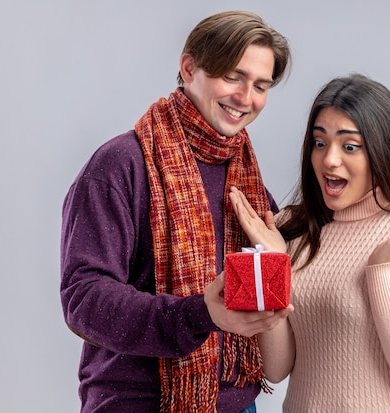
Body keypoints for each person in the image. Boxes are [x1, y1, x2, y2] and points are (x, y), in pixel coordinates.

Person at [60, 11, 293, 413]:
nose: (245, 97)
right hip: (137, 404)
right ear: (189, 68)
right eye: (233, 76)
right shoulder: (120, 165)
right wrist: (201, 314)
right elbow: (84, 299)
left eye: (260, 85)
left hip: (238, 405)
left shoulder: (246, 178)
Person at [228, 73, 390, 412]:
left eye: (349, 146)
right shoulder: (289, 229)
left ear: (383, 151)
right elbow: (275, 370)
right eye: (320, 142)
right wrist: (274, 262)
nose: (329, 159)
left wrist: (381, 272)